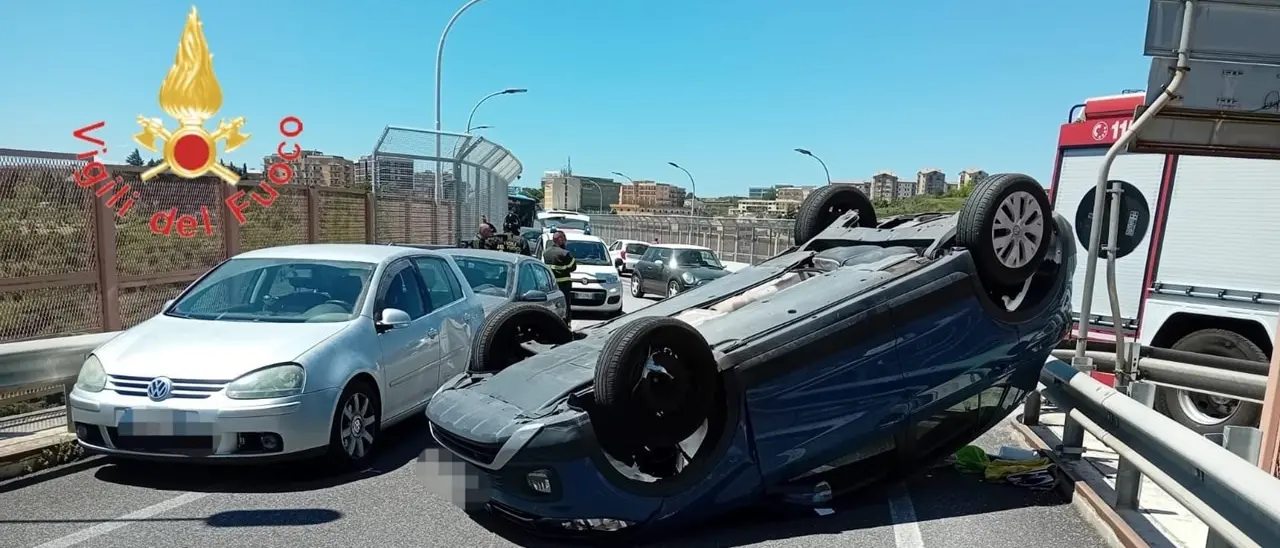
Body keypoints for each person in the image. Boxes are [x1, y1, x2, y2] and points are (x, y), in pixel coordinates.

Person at [542, 230, 577, 324]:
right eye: (564, 239)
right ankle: (567, 325)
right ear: (560, 239)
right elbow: (573, 267)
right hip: (563, 285)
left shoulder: (546, 252)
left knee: (551, 305)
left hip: (550, 285)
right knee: (565, 306)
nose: (565, 241)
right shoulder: (565, 253)